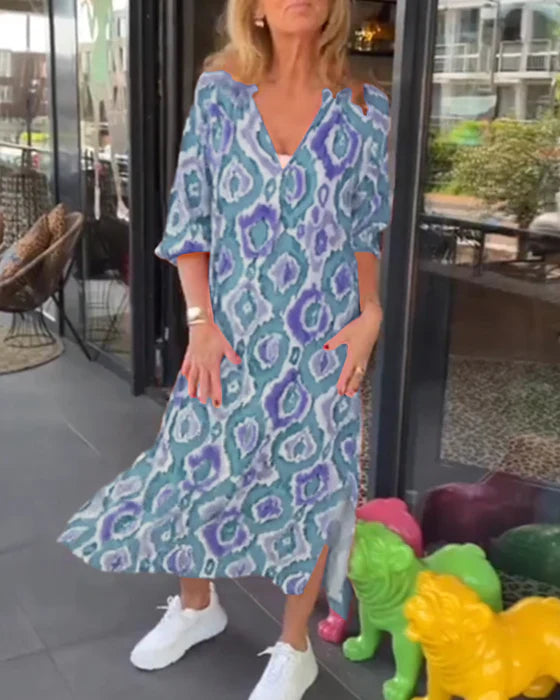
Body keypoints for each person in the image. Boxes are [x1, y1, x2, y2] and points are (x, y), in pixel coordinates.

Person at [56, 0, 392, 698]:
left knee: (311, 484)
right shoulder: (220, 95)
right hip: (229, 334)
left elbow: (365, 230)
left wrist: (372, 313)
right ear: (255, 9)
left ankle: (294, 646)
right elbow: (192, 218)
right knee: (191, 467)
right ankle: (198, 606)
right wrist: (200, 322)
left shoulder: (366, 108)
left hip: (323, 339)